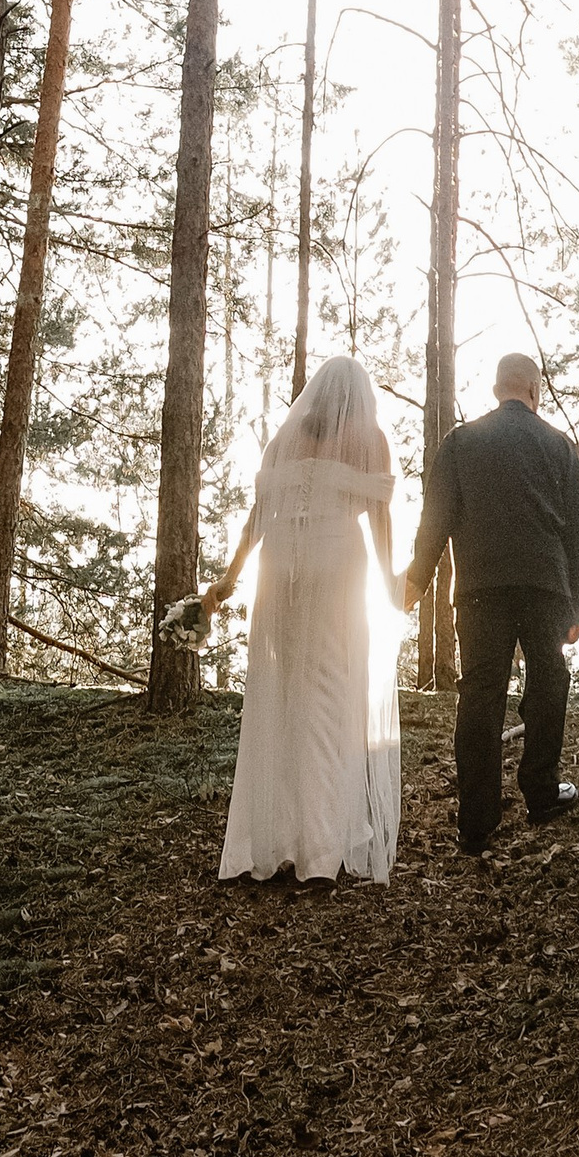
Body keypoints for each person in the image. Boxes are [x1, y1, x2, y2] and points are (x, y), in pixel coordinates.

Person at [203, 355, 402, 886]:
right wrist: (391, 585)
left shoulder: (281, 442)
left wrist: (228, 580)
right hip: (336, 568)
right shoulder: (369, 440)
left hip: (281, 571)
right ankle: (318, 848)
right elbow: (380, 520)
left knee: (284, 696)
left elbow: (257, 520)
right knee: (330, 696)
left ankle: (273, 839)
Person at [405, 351, 579, 857]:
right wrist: (577, 604)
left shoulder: (460, 443)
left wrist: (415, 584)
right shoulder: (561, 448)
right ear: (535, 391)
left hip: (481, 588)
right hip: (545, 586)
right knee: (548, 679)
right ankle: (542, 791)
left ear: (495, 389)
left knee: (482, 693)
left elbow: (434, 521)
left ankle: (477, 822)